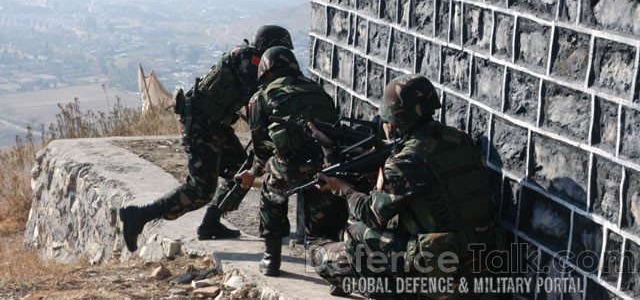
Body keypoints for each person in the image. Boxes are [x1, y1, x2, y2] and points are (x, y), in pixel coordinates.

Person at [309, 74, 497, 298]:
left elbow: (370, 214)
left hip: (442, 268)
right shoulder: (460, 139)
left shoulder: (408, 160)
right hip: (481, 260)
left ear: (397, 118)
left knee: (356, 234)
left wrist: (343, 187)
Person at [119, 25, 293, 252]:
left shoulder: (249, 58)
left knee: (242, 169)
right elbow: (258, 103)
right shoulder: (249, 60)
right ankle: (139, 215)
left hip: (215, 125)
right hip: (200, 125)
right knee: (200, 189)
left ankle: (211, 222)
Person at [235, 46, 348, 277]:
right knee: (321, 231)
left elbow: (261, 148)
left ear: (266, 71)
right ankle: (337, 265)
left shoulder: (262, 97)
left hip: (289, 167)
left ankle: (271, 258)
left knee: (271, 192)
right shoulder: (317, 90)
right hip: (325, 166)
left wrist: (253, 173)